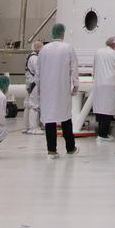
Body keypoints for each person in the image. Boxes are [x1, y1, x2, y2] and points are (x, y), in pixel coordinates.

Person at [38, 23, 79, 158]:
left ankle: (51, 150)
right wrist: (75, 86)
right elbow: (74, 69)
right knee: (66, 118)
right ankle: (70, 148)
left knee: (50, 119)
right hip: (62, 88)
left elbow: (38, 72)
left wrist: (39, 89)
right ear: (63, 33)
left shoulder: (44, 49)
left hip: (47, 89)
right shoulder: (68, 48)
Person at [92, 36, 115, 143]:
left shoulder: (98, 52)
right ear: (114, 45)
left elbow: (94, 67)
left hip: (98, 83)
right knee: (107, 110)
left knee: (100, 109)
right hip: (109, 84)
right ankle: (103, 135)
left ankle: (101, 133)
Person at [23, 39, 44, 134]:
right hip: (34, 84)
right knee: (34, 105)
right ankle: (33, 127)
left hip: (30, 83)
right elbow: (39, 72)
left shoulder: (30, 56)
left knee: (28, 105)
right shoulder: (35, 58)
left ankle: (26, 126)